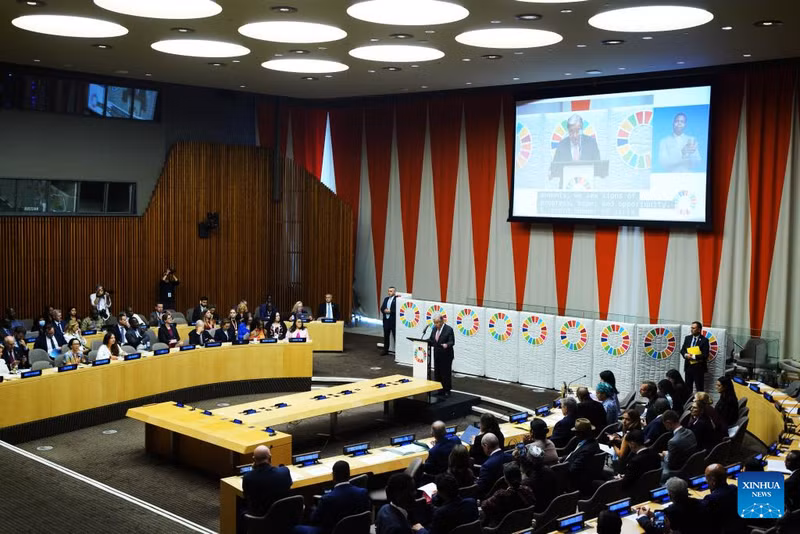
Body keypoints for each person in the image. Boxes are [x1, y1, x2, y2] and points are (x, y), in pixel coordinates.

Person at [297, 460, 370, 534]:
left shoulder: (327, 499)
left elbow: (314, 520)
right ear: (349, 474)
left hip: (331, 531)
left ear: (333, 476)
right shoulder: (363, 493)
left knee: (297, 528)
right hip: (356, 530)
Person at [636, 477, 708, 534]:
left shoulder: (669, 513)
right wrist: (652, 515)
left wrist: (642, 516)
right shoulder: (701, 503)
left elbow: (654, 530)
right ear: (687, 491)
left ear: (670, 496)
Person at [242, 444, 292, 517]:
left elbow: (246, 497)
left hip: (260, 517)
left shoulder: (248, 477)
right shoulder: (284, 471)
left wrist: (253, 471)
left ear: (254, 459)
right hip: (283, 516)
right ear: (270, 457)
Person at [481, 462, 535, 526]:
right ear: (520, 476)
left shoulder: (501, 495)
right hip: (523, 526)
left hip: (503, 528)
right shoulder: (527, 490)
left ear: (506, 479)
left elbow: (484, 506)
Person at [550, 114, 601, 181]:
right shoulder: (562, 145)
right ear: (568, 131)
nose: (574, 135)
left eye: (577, 131)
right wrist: (551, 173)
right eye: (571, 131)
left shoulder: (591, 143)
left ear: (582, 130)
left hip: (586, 185)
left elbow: (599, 168)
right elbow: (554, 168)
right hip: (566, 185)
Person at [701, 463, 747, 534]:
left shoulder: (711, 499)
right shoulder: (734, 488)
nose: (706, 481)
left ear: (713, 481)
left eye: (707, 479)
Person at [564, 418, 603, 495]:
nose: (575, 434)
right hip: (584, 473)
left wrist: (561, 467)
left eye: (576, 432)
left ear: (580, 433)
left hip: (577, 480)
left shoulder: (586, 450)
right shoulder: (593, 442)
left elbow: (572, 470)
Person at [518, 444, 560, 512]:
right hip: (552, 507)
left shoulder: (527, 483)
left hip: (538, 512)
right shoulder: (550, 471)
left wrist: (522, 472)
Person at [660, 409, 697, 482]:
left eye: (665, 425)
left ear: (668, 423)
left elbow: (671, 464)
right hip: (691, 468)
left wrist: (666, 455)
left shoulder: (672, 442)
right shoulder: (690, 432)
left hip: (678, 472)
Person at [476, 433, 512, 498]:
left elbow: (481, 488)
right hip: (511, 496)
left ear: (486, 446)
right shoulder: (511, 457)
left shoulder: (486, 466)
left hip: (493, 500)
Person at [427, 313, 455, 397]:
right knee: (437, 372)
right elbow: (431, 339)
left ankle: (447, 390)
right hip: (437, 354)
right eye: (434, 323)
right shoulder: (434, 329)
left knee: (445, 372)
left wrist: (446, 345)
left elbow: (452, 341)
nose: (436, 325)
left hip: (446, 355)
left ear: (442, 321)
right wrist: (423, 342)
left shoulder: (449, 329)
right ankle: (439, 389)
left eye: (437, 322)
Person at [680, 321, 710, 394]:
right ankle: (688, 403)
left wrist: (693, 356)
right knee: (688, 388)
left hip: (698, 368)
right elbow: (682, 350)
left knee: (699, 388)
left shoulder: (705, 340)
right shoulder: (687, 338)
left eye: (693, 328)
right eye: (691, 328)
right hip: (688, 367)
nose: (691, 329)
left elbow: (705, 355)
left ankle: (700, 403)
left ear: (699, 329)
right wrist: (686, 355)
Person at [380, 286, 397, 355]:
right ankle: (385, 350)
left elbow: (397, 310)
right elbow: (382, 308)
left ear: (394, 292)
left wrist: (390, 311)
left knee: (395, 336)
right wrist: (384, 310)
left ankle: (397, 351)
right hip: (386, 320)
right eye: (388, 291)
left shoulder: (397, 299)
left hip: (393, 321)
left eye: (391, 291)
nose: (389, 292)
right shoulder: (386, 299)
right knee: (386, 336)